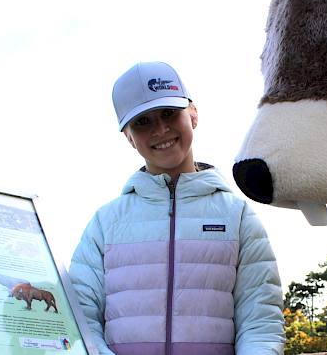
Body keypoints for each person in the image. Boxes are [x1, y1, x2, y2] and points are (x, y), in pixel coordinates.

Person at [69, 61, 285, 355]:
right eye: (142, 122)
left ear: (193, 114)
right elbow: (81, 320)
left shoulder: (238, 217)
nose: (161, 129)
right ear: (128, 137)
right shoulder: (104, 223)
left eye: (169, 113)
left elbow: (261, 325)